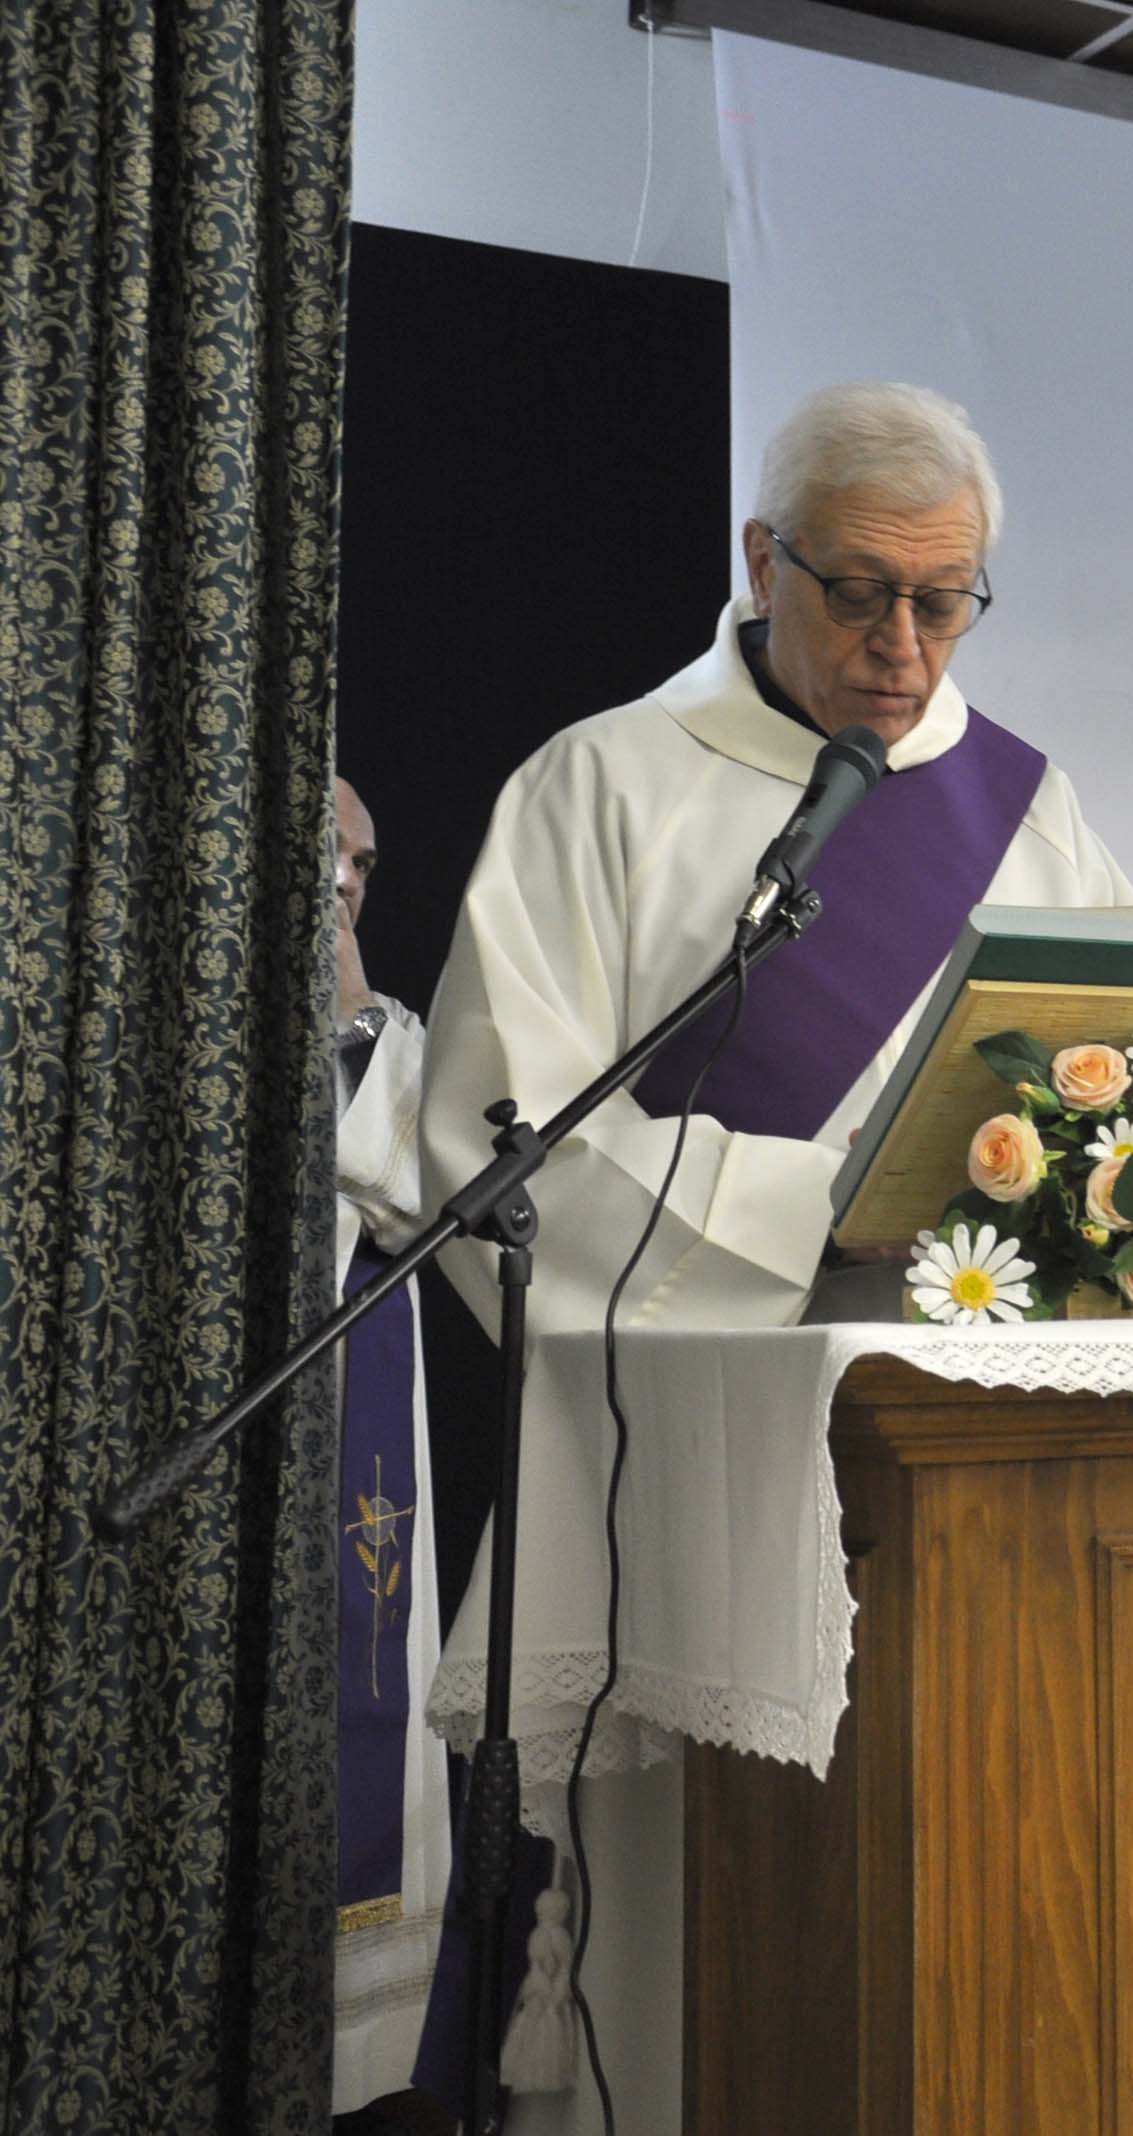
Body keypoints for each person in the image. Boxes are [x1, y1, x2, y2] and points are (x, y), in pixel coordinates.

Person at [417, 382, 1133, 2126]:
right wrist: (821, 1216)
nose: (905, 647)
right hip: (686, 1438)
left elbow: (1124, 1082)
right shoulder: (601, 784)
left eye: (944, 601)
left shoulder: (1026, 810)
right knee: (677, 1923)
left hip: (966, 1464)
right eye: (862, 593)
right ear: (763, 561)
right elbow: (499, 1143)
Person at [327, 779, 454, 2132]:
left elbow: (416, 1182)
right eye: (327, 856)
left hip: (359, 1430)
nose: (350, 882)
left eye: (364, 864)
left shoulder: (386, 1033)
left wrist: (353, 999)